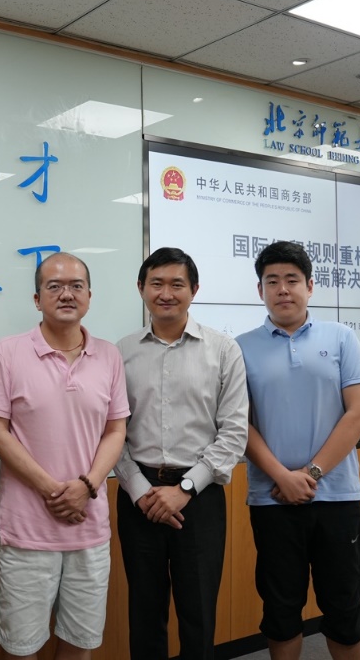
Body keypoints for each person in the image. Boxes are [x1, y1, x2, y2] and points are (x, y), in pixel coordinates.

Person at [0, 252, 129, 660]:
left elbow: (116, 430)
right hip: (27, 531)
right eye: (54, 286)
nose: (66, 294)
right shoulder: (7, 352)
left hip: (89, 529)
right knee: (21, 648)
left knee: (80, 644)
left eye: (76, 286)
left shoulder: (109, 356)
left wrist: (86, 486)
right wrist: (53, 491)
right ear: (36, 298)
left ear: (90, 296)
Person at [235, 241, 360, 660]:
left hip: (338, 497)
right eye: (272, 281)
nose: (283, 289)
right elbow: (238, 423)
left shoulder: (341, 337)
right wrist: (283, 477)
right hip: (272, 499)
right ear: (260, 290)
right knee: (280, 609)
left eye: (292, 280)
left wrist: (309, 474)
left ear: (310, 286)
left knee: (344, 607)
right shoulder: (239, 347)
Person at [114, 247, 249, 660]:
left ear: (194, 290)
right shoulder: (120, 352)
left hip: (200, 498)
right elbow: (111, 432)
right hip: (138, 497)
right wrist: (139, 490)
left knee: (199, 612)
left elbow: (234, 431)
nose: (166, 293)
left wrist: (186, 489)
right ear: (141, 288)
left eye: (177, 284)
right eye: (156, 283)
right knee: (144, 610)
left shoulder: (223, 350)